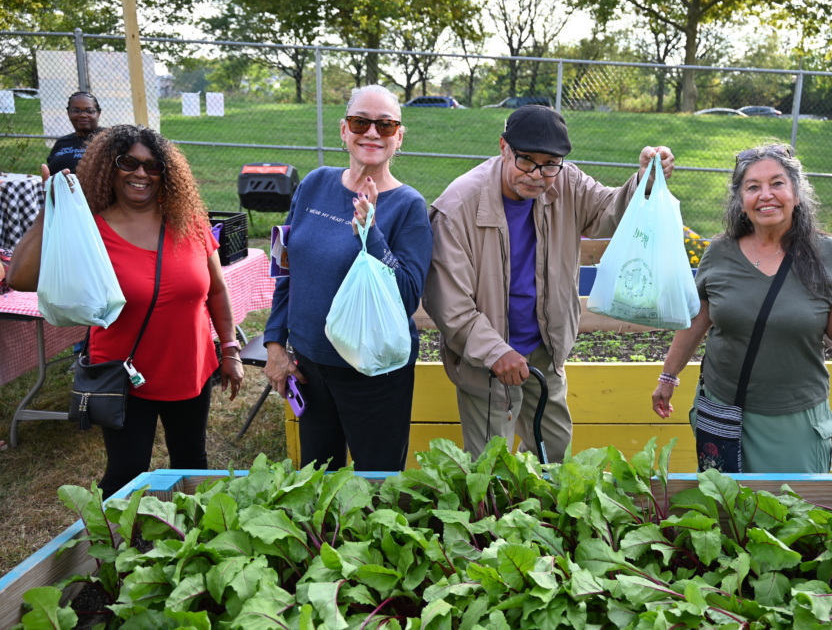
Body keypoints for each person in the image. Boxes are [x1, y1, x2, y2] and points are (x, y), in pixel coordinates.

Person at [423, 104, 674, 463]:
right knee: (488, 467)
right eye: (526, 160)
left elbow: (607, 212)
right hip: (486, 361)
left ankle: (540, 518)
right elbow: (450, 304)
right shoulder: (458, 206)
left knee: (553, 451)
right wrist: (497, 353)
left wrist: (644, 180)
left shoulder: (567, 182)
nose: (538, 175)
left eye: (550, 163)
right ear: (503, 148)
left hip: (545, 350)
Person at [7, 124, 243, 494]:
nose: (140, 173)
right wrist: (50, 208)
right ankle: (111, 545)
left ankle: (189, 541)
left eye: (152, 166)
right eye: (128, 162)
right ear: (108, 167)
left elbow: (216, 291)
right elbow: (19, 277)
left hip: (190, 367)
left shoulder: (190, 223)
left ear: (166, 173)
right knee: (128, 471)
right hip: (123, 375)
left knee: (192, 461)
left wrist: (229, 349)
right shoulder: (90, 231)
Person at [650, 142, 832, 473]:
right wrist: (668, 377)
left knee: (792, 517)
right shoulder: (719, 252)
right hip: (723, 411)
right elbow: (697, 320)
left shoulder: (828, 252)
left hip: (795, 419)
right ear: (740, 201)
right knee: (725, 513)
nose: (766, 195)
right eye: (753, 187)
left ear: (796, 194)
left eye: (777, 183)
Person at [262, 84, 432, 472]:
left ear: (399, 137)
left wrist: (369, 231)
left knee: (377, 479)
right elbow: (287, 267)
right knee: (317, 477)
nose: (372, 133)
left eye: (386, 125)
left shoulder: (408, 206)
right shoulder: (315, 184)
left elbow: (405, 296)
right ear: (344, 130)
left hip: (372, 371)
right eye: (361, 122)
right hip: (308, 366)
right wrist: (275, 343)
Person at [47, 92, 103, 173]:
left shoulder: (109, 138)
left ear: (98, 113)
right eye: (76, 111)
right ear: (68, 113)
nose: (83, 115)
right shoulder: (62, 142)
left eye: (89, 111)